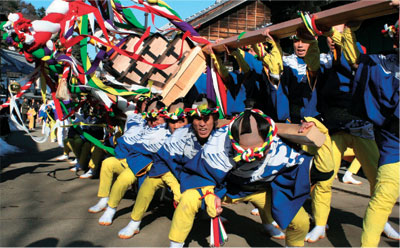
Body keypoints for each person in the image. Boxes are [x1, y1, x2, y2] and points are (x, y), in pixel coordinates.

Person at [168, 109, 334, 248]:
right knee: (189, 199)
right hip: (225, 188)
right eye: (244, 152)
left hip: (259, 190)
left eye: (258, 152)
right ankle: (175, 245)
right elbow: (198, 175)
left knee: (301, 222)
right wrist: (208, 193)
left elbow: (324, 172)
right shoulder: (217, 146)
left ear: (269, 142)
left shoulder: (281, 151)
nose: (251, 157)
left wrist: (321, 133)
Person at [117, 95, 220, 239]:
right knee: (150, 181)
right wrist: (175, 185)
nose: (176, 125)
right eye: (172, 121)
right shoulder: (172, 135)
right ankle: (135, 221)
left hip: (203, 181)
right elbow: (161, 159)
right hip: (173, 174)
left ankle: (211, 213)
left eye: (180, 121)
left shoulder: (221, 138)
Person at [341, 18, 400, 246]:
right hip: (395, 143)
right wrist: (346, 32)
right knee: (384, 198)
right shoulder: (384, 62)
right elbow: (357, 62)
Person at [95, 97, 190, 226]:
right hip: (144, 163)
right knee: (112, 166)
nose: (153, 122)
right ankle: (110, 206)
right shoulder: (141, 124)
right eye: (150, 118)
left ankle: (208, 214)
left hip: (165, 169)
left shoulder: (172, 130)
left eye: (157, 118)